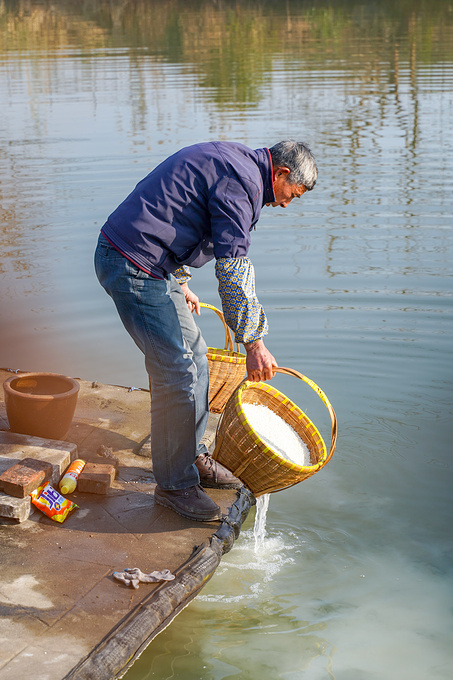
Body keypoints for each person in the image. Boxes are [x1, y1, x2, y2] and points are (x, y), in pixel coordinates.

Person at [94, 140, 317, 522]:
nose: (285, 204)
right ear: (280, 174)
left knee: (196, 355)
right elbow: (233, 273)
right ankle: (175, 485)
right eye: (290, 195)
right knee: (177, 370)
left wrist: (179, 279)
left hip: (155, 265)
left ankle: (191, 455)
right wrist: (254, 343)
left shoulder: (239, 167)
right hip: (132, 264)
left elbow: (178, 210)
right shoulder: (243, 182)